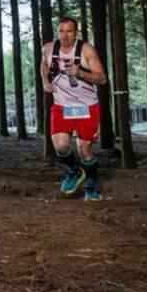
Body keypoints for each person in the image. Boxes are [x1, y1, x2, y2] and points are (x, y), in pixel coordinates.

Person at [40, 17, 109, 202]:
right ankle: (74, 171)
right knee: (61, 146)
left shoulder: (86, 50)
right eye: (61, 31)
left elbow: (102, 79)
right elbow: (44, 65)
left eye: (69, 31)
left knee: (84, 148)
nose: (65, 35)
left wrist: (80, 73)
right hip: (62, 106)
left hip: (86, 106)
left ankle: (91, 184)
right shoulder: (49, 48)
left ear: (76, 32)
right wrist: (45, 82)